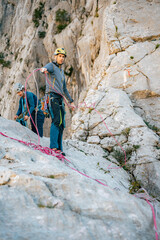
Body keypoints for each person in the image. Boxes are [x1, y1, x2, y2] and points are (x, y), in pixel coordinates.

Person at [40, 47, 76, 154]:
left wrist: (71, 101)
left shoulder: (61, 71)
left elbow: (64, 88)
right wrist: (43, 70)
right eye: (60, 56)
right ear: (56, 56)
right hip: (52, 96)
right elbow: (44, 69)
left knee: (61, 123)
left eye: (63, 57)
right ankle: (53, 147)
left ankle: (59, 148)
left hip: (60, 98)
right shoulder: (51, 66)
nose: (62, 58)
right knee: (56, 120)